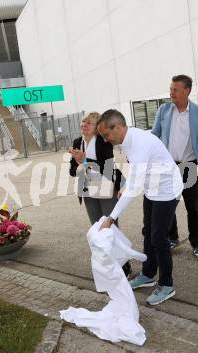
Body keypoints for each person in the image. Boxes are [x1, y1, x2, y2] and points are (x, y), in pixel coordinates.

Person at [98, 109, 183, 306]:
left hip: (167, 190)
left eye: (105, 134)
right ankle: (148, 274)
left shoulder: (140, 144)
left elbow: (134, 187)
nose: (104, 139)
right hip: (151, 188)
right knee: (148, 232)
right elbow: (137, 172)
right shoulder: (127, 141)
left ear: (117, 127)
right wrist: (128, 185)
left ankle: (167, 284)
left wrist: (111, 219)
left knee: (159, 238)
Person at [152, 75, 198, 261]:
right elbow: (154, 136)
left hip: (189, 166)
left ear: (187, 91)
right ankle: (172, 238)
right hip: (168, 166)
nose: (171, 93)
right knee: (168, 205)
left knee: (193, 207)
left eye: (175, 89)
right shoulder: (164, 110)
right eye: (171, 89)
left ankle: (196, 242)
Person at [69, 112, 130, 276]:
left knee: (110, 227)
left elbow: (107, 168)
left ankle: (124, 265)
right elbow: (72, 171)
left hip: (106, 188)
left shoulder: (103, 142)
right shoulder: (77, 142)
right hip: (88, 190)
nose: (84, 125)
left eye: (88, 123)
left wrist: (86, 161)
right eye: (82, 122)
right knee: (96, 228)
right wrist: (79, 164)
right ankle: (107, 263)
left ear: (96, 127)